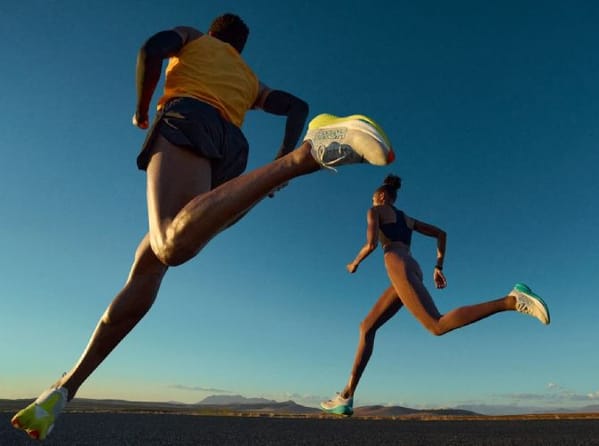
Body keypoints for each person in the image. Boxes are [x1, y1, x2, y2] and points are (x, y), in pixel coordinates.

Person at [11, 13, 393, 441]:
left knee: (171, 244)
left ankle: (306, 156)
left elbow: (151, 49)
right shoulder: (250, 79)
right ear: (241, 47)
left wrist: (141, 109)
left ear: (214, 33)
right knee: (150, 264)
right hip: (233, 148)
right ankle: (66, 388)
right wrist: (278, 146)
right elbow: (296, 106)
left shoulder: (194, 39)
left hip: (189, 117)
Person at [320, 174, 549, 416]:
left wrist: (354, 263)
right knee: (367, 327)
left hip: (397, 265)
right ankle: (346, 396)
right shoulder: (407, 219)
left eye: (374, 198)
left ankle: (511, 301)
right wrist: (438, 266)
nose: (372, 202)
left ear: (382, 196)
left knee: (436, 325)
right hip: (411, 266)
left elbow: (371, 244)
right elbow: (442, 234)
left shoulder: (375, 211)